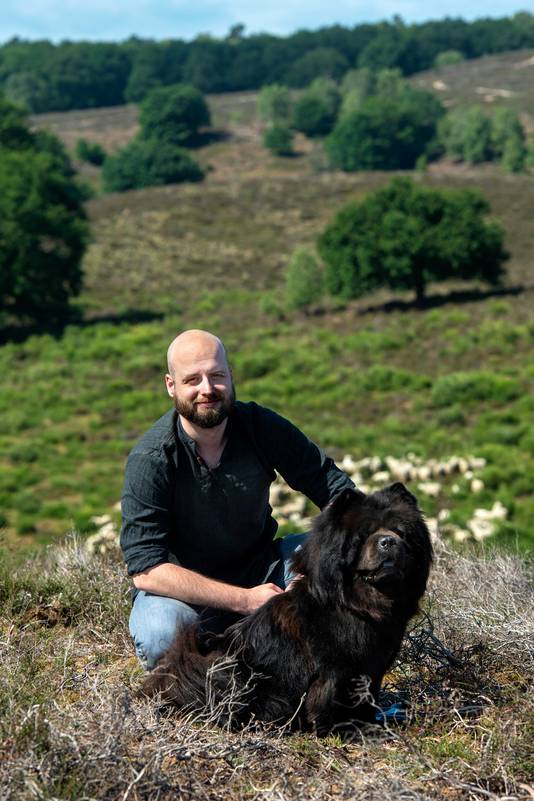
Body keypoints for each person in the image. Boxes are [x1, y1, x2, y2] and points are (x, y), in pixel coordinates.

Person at [120, 329, 354, 669]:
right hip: (184, 595)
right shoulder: (151, 459)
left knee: (350, 558)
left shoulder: (260, 427)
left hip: (264, 571)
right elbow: (147, 569)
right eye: (192, 380)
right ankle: (224, 668)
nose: (207, 389)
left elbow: (335, 490)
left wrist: (314, 570)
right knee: (161, 636)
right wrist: (245, 601)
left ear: (231, 376)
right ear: (171, 385)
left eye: (217, 375)